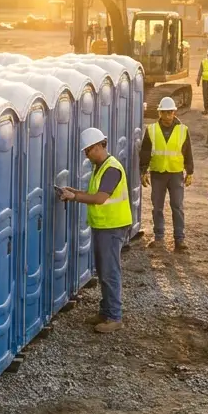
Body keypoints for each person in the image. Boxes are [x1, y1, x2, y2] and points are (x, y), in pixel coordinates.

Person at [59, 128, 132, 333]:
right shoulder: (99, 167)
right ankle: (106, 311)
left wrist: (75, 198)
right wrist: (76, 192)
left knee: (110, 272)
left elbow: (100, 198)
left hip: (112, 226)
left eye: (89, 150)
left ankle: (114, 317)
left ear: (101, 145)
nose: (86, 154)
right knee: (103, 271)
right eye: (85, 151)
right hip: (103, 226)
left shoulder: (111, 168)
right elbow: (93, 193)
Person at [139, 96, 194, 252]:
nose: (168, 116)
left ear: (174, 112)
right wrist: (143, 170)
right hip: (158, 173)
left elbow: (188, 151)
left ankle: (179, 239)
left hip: (176, 173)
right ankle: (159, 237)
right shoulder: (151, 130)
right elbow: (145, 152)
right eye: (165, 112)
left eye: (170, 112)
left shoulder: (183, 130)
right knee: (157, 207)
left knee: (177, 206)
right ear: (160, 113)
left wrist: (189, 171)